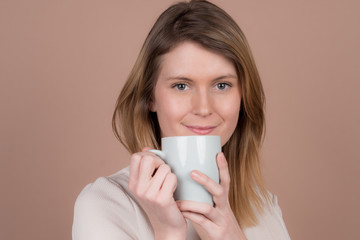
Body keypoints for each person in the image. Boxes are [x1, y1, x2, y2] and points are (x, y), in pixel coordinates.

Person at [72, 0, 291, 239]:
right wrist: (168, 232)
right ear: (150, 98)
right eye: (181, 86)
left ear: (243, 97)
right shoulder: (106, 204)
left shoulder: (263, 206)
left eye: (221, 85)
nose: (204, 108)